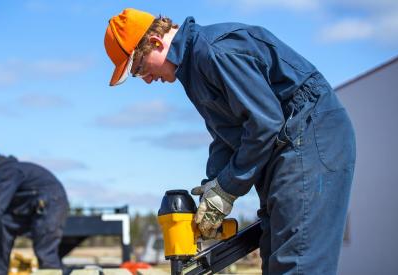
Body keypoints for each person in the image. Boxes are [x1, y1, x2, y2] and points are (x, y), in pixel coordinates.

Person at [104, 8, 356, 274]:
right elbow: (226, 137)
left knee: (297, 262)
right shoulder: (194, 69)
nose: (146, 79)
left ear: (155, 42)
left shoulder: (214, 50)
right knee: (276, 259)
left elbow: (264, 123)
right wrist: (212, 189)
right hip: (288, 143)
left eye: (139, 68)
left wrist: (226, 189)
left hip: (309, 133)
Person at [0, 146, 69, 275]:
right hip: (35, 205)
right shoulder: (6, 173)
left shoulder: (7, 172)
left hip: (49, 204)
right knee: (2, 223)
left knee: (45, 252)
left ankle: (53, 272)